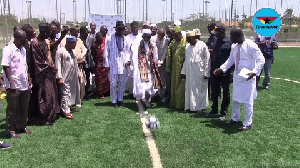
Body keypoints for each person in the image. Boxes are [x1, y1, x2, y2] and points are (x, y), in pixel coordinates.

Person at [214, 28, 265, 131]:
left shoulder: (251, 45)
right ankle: (235, 118)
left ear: (238, 36)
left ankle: (248, 123)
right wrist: (222, 68)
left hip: (248, 77)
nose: (230, 38)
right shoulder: (234, 46)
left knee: (247, 100)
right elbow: (231, 60)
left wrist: (254, 72)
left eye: (232, 36)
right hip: (238, 76)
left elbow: (261, 59)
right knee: (236, 99)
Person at [2, 29, 33, 138]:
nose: (27, 39)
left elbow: (24, 66)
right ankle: (9, 130)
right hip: (14, 84)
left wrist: (28, 78)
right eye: (25, 38)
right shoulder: (8, 49)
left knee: (24, 107)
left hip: (24, 83)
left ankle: (21, 126)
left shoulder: (23, 49)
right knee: (12, 109)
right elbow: (5, 66)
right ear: (18, 38)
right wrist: (11, 82)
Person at [28, 23, 60, 125]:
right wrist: (50, 67)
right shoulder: (35, 43)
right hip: (42, 73)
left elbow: (51, 47)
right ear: (43, 32)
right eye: (48, 33)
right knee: (45, 94)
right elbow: (39, 62)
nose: (49, 35)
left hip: (49, 72)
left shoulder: (46, 41)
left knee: (51, 94)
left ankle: (51, 116)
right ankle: (44, 117)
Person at [206, 24, 233, 121]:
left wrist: (231, 73)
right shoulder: (215, 40)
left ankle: (223, 112)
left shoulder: (230, 42)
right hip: (215, 70)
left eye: (217, 33)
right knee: (214, 92)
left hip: (226, 72)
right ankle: (214, 110)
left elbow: (232, 58)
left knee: (225, 93)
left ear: (222, 32)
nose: (215, 35)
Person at [132, 29, 161, 113]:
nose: (146, 38)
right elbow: (135, 56)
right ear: (143, 37)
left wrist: (155, 62)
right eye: (145, 37)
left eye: (148, 37)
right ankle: (144, 100)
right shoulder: (138, 45)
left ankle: (148, 100)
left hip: (150, 67)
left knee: (151, 84)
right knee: (143, 85)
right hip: (142, 68)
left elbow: (155, 56)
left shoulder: (153, 45)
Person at [181, 31, 210, 113]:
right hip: (190, 72)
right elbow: (186, 60)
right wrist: (183, 72)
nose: (188, 42)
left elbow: (207, 59)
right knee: (190, 89)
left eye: (189, 40)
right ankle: (190, 106)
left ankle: (200, 108)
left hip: (200, 71)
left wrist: (206, 72)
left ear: (193, 38)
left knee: (200, 89)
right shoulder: (187, 46)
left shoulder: (202, 45)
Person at [104, 21, 131, 107]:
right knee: (113, 83)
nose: (121, 31)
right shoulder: (109, 39)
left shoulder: (126, 39)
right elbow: (106, 52)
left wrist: (127, 61)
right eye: (119, 29)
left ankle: (120, 100)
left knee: (122, 83)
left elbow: (128, 52)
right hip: (113, 65)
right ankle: (113, 101)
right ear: (116, 29)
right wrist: (107, 65)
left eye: (122, 30)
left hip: (123, 65)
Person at [55, 36, 81, 119]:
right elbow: (57, 65)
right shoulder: (60, 51)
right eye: (73, 44)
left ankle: (68, 108)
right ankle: (65, 111)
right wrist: (59, 77)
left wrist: (78, 74)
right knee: (65, 93)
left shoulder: (71, 51)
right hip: (64, 76)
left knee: (71, 93)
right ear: (68, 43)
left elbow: (75, 63)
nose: (75, 46)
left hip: (72, 76)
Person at [165, 26, 187, 109]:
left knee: (182, 87)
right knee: (174, 86)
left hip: (183, 67)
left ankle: (182, 104)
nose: (175, 36)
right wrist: (168, 68)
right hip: (174, 68)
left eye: (176, 34)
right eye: (174, 35)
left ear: (180, 33)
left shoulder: (185, 41)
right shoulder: (173, 43)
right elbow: (169, 56)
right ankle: (174, 103)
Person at [70, 25, 87, 102]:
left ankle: (79, 99)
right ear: (71, 32)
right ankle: (71, 101)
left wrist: (82, 58)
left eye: (78, 32)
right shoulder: (66, 41)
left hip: (80, 66)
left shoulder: (79, 40)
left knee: (81, 83)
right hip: (70, 67)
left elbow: (84, 50)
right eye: (75, 32)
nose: (77, 33)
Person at [125, 21, 142, 95]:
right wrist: (127, 60)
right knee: (130, 77)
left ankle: (138, 92)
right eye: (133, 28)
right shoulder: (127, 38)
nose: (135, 29)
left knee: (139, 77)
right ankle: (131, 91)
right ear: (131, 29)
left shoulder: (141, 36)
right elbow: (126, 50)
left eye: (136, 27)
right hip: (131, 60)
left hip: (140, 60)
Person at [91, 32, 110, 99]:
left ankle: (107, 91)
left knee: (106, 79)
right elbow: (92, 55)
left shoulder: (105, 44)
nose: (101, 39)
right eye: (99, 37)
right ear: (96, 38)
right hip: (98, 65)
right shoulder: (94, 45)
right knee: (99, 79)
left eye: (101, 37)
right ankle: (100, 93)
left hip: (105, 63)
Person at [156, 28, 168, 99]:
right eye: (159, 35)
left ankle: (161, 94)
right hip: (154, 61)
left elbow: (165, 51)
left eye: (162, 36)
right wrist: (155, 61)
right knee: (155, 78)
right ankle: (155, 94)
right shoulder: (153, 39)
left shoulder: (165, 40)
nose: (160, 37)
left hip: (162, 62)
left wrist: (162, 60)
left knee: (162, 79)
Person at [206, 23, 217, 100]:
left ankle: (217, 94)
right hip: (210, 60)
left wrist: (208, 50)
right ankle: (209, 94)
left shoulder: (216, 37)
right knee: (209, 78)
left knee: (216, 79)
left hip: (215, 60)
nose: (209, 30)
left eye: (210, 28)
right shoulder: (210, 37)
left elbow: (216, 49)